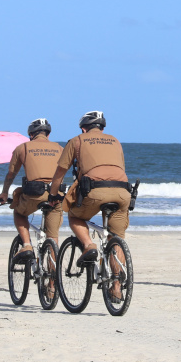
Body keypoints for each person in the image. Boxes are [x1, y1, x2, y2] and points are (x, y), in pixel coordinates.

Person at [49, 111, 132, 266]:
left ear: (83, 129)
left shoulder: (77, 140)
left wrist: (53, 194)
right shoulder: (115, 141)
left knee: (75, 217)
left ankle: (89, 245)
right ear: (102, 128)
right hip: (122, 192)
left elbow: (60, 171)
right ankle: (116, 286)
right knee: (117, 237)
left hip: (95, 191)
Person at [0, 118, 63, 263]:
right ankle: (52, 282)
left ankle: (26, 245)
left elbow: (11, 174)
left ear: (31, 135)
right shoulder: (60, 148)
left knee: (18, 212)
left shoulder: (23, 148)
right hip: (56, 195)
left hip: (34, 194)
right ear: (48, 135)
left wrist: (5, 192)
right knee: (53, 236)